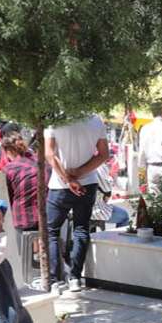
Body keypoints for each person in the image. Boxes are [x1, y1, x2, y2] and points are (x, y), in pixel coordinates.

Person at [44, 113, 110, 292]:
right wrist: (80, 173)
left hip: (60, 185)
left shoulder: (53, 118)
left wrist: (68, 179)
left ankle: (54, 280)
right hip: (87, 182)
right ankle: (75, 277)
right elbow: (104, 154)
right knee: (81, 228)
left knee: (52, 231)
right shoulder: (96, 120)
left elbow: (49, 154)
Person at [0, 129, 40, 232]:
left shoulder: (10, 169)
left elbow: (7, 198)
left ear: (7, 150)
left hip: (23, 220)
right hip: (49, 218)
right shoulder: (41, 161)